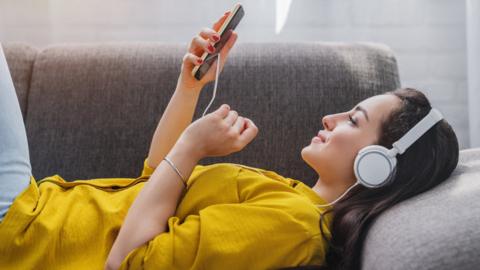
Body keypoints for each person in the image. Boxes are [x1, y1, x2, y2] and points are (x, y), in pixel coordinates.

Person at [0, 11, 459, 270]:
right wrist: (190, 88)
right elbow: (157, 181)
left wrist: (192, 148)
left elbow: (130, 260)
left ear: (375, 166)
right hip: (31, 211)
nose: (331, 117)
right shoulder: (288, 198)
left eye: (353, 120)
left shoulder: (294, 227)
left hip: (23, 238)